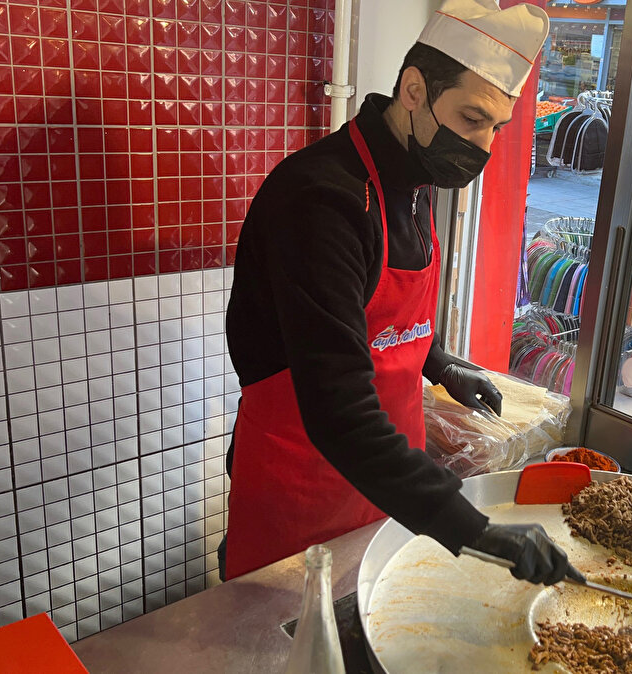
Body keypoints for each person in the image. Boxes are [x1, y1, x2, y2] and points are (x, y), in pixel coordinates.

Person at [220, 0, 578, 587]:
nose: (483, 146)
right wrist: (472, 527)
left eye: (496, 127)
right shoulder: (321, 201)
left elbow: (376, 313)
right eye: (470, 118)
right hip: (303, 481)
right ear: (413, 90)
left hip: (386, 482)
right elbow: (337, 406)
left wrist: (439, 365)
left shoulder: (413, 180)